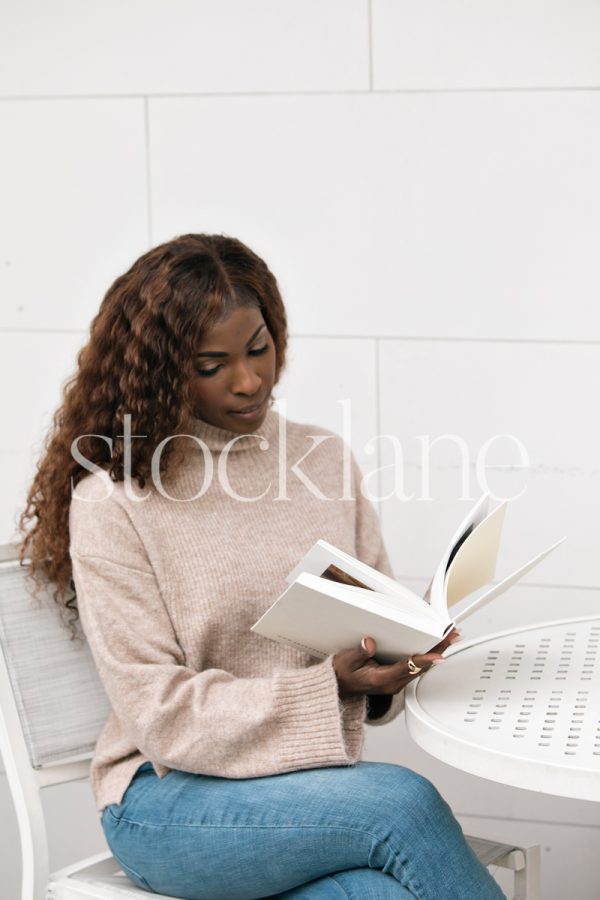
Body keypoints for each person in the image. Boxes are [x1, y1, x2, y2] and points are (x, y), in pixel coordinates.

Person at [18, 234, 505, 900]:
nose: (248, 381)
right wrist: (327, 688)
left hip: (307, 798)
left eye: (258, 349)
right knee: (403, 804)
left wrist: (412, 658)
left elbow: (375, 679)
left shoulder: (323, 460)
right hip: (167, 801)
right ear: (162, 368)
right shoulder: (116, 499)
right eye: (211, 363)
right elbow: (160, 716)